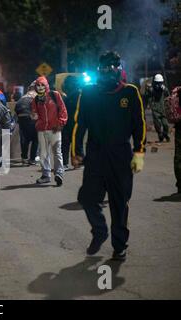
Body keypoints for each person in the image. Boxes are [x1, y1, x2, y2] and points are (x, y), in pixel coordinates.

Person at [72, 51, 146, 261]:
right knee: (87, 197)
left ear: (118, 68)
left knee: (119, 203)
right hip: (95, 154)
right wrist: (77, 151)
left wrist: (139, 152)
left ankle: (119, 245)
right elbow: (80, 123)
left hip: (121, 155)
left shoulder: (130, 93)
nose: (106, 71)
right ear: (99, 69)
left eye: (111, 67)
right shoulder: (88, 93)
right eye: (103, 67)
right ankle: (100, 230)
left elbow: (139, 124)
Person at [31, 76, 68, 186]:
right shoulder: (36, 99)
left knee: (57, 152)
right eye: (38, 85)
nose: (40, 87)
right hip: (42, 130)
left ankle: (59, 174)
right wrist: (34, 117)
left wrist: (60, 123)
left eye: (42, 84)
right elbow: (35, 114)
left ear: (46, 85)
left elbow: (63, 110)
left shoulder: (55, 95)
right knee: (44, 153)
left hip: (55, 129)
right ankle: (46, 175)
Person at [61, 76, 85, 169]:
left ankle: (76, 162)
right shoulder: (70, 96)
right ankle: (67, 163)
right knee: (68, 143)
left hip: (77, 123)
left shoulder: (78, 95)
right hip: (69, 123)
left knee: (75, 143)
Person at [15, 82, 39, 166]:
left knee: (26, 139)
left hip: (22, 118)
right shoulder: (36, 96)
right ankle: (32, 159)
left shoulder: (23, 97)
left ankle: (24, 157)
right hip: (31, 118)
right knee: (35, 139)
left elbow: (17, 108)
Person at [148, 74, 170, 143]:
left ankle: (165, 134)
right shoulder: (151, 89)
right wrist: (151, 88)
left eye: (160, 83)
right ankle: (160, 135)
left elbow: (168, 94)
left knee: (166, 125)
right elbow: (148, 94)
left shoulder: (163, 88)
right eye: (158, 83)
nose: (159, 84)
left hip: (163, 109)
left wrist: (165, 89)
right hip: (155, 109)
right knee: (157, 124)